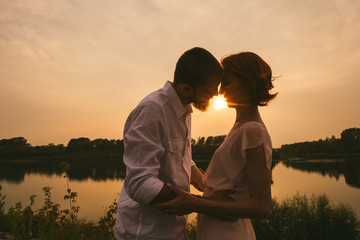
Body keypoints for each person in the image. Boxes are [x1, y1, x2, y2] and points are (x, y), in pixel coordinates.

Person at [153, 52, 277, 240]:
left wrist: (195, 203)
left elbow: (262, 207)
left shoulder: (253, 131)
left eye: (226, 81)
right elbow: (226, 185)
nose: (220, 91)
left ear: (246, 82)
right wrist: (193, 172)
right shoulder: (240, 127)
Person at [114, 47, 223, 240]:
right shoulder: (153, 110)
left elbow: (183, 161)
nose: (215, 95)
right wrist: (194, 203)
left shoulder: (185, 110)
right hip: (146, 233)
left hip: (173, 231)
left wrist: (210, 191)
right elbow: (139, 183)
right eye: (209, 90)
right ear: (186, 87)